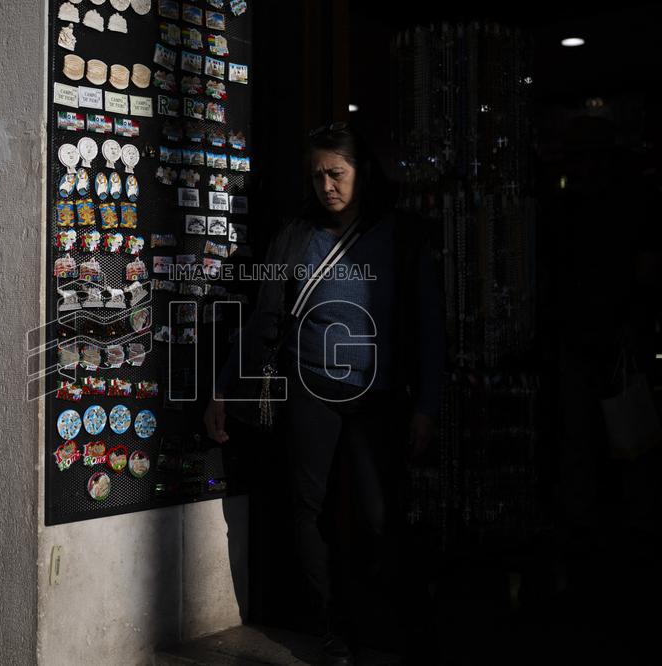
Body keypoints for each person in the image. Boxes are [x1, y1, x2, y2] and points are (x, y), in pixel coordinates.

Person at [204, 123, 445, 665]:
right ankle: (334, 629)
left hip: (377, 394)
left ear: (364, 173)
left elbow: (430, 328)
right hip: (308, 390)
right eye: (317, 176)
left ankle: (402, 625)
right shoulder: (296, 234)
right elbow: (264, 317)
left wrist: (427, 405)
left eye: (336, 173)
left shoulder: (401, 237)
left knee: (380, 516)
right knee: (308, 510)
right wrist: (223, 387)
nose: (326, 186)